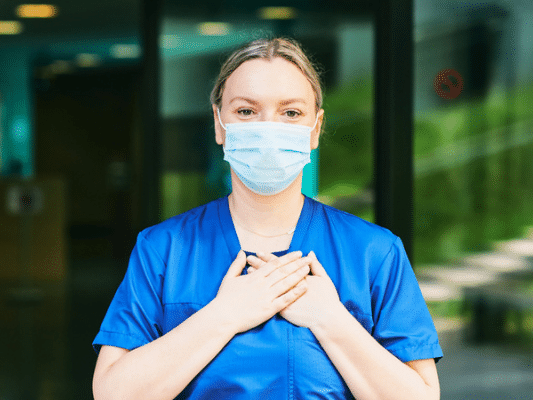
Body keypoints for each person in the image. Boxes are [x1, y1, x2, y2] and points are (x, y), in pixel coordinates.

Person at [92, 37, 442, 399]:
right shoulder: (164, 249)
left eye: (291, 113)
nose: (268, 128)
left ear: (316, 129)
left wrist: (331, 321)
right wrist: (224, 315)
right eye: (246, 111)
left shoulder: (374, 252)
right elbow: (113, 393)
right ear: (218, 123)